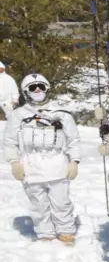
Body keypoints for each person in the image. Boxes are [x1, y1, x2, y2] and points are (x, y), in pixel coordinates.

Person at [3, 74, 80, 244]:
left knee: (61, 203)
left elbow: (73, 139)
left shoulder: (61, 113)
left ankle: (66, 232)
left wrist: (74, 161)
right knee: (38, 204)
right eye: (32, 87)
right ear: (26, 92)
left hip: (58, 164)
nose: (37, 90)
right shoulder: (18, 115)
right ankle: (45, 234)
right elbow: (9, 142)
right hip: (31, 165)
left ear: (47, 88)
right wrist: (14, 163)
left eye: (40, 86)